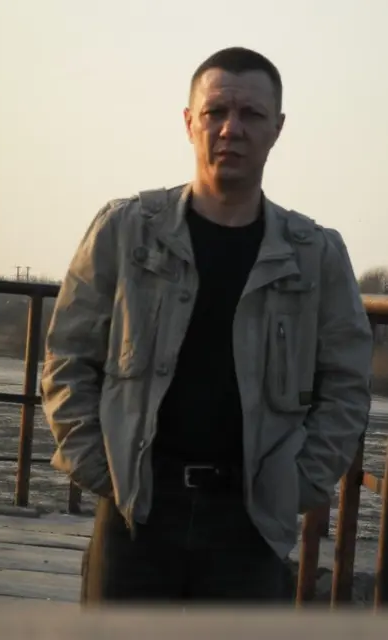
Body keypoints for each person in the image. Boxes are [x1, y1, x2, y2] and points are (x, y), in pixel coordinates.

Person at [41, 47, 373, 604]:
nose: (231, 129)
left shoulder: (315, 256)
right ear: (189, 122)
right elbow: (67, 358)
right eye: (216, 111)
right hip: (135, 512)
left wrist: (296, 483)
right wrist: (102, 469)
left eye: (251, 114)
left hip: (250, 522)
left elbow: (347, 383)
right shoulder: (126, 232)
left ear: (277, 129)